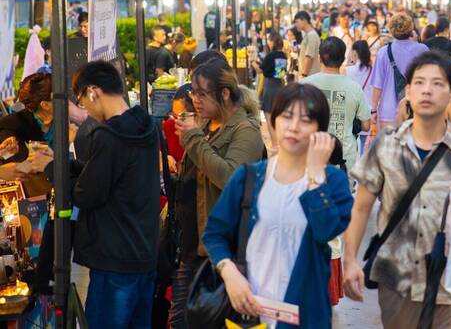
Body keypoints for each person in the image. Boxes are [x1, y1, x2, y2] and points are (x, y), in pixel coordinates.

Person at [344, 51, 451, 329]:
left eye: (438, 83)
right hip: (397, 281)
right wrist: (349, 261)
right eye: (419, 82)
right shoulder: (386, 145)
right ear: (408, 90)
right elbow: (361, 206)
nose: (427, 90)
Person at [202, 84, 353, 327]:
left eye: (306, 120)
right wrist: (230, 275)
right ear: (273, 121)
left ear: (319, 129)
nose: (294, 127)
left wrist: (314, 176)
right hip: (248, 313)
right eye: (287, 116)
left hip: (305, 315)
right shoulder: (249, 177)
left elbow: (327, 229)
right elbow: (214, 234)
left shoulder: (332, 181)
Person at [54, 61, 160, 329]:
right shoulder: (146, 126)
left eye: (81, 101)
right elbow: (119, 176)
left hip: (115, 258)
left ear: (93, 92)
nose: (85, 109)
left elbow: (88, 194)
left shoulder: (110, 136)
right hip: (144, 253)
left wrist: (60, 174)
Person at [169, 61, 265, 328]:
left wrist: (193, 139)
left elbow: (231, 178)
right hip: (191, 245)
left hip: (223, 252)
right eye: (193, 94)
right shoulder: (207, 125)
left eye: (201, 94)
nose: (195, 100)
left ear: (224, 94)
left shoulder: (245, 131)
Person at [302, 37, 370, 171]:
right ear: (343, 59)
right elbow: (366, 126)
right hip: (344, 157)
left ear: (320, 58)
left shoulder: (304, 85)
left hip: (310, 153)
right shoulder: (354, 88)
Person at [368, 13, 428, 131]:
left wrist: (373, 109)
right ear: (410, 28)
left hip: (388, 110)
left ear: (391, 29)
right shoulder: (423, 50)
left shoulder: (383, 52)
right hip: (417, 107)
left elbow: (377, 86)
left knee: (389, 146)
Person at [0, 72, 57, 195]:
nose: (66, 97)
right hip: (36, 199)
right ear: (45, 105)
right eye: (57, 95)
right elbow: (12, 164)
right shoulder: (13, 125)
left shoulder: (72, 119)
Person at [259, 31, 288, 150]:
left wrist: (252, 62)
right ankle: (279, 142)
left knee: (269, 115)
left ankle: (275, 143)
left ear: (273, 42)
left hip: (270, 86)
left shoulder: (270, 56)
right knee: (278, 116)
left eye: (270, 40)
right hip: (280, 86)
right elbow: (280, 74)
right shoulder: (282, 55)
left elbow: (261, 70)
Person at [345, 40, 374, 156]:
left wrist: (349, 60)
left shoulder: (348, 70)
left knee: (351, 143)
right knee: (365, 145)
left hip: (352, 112)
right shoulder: (373, 70)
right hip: (369, 112)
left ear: (355, 52)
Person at [294, 11, 321, 78]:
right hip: (310, 76)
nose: (296, 24)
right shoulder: (309, 35)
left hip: (310, 76)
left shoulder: (311, 35)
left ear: (304, 20)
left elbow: (309, 56)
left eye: (297, 21)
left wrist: (304, 75)